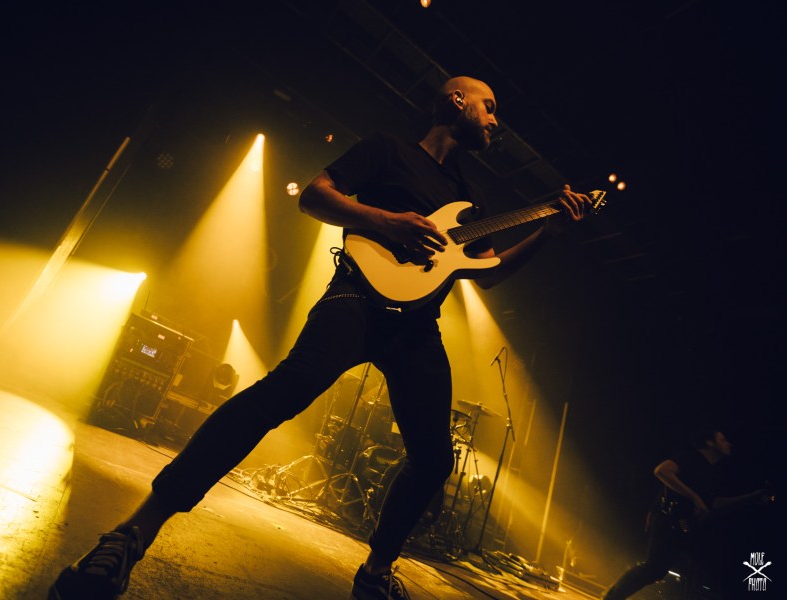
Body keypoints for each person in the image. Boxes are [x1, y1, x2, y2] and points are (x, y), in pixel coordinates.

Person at [50, 75, 592, 600]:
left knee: (433, 460)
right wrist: (385, 221)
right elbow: (313, 196)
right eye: (489, 106)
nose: (496, 120)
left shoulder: (468, 196)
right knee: (277, 395)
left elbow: (488, 273)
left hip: (415, 326)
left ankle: (376, 573)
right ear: (456, 101)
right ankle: (132, 533)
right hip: (355, 296)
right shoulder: (387, 149)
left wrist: (549, 230)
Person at [602, 427, 771, 599]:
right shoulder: (692, 458)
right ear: (709, 443)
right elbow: (661, 471)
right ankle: (612, 597)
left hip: (685, 525)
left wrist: (751, 497)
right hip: (669, 520)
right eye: (723, 440)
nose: (729, 444)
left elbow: (714, 503)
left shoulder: (711, 471)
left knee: (664, 570)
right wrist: (695, 498)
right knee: (654, 568)